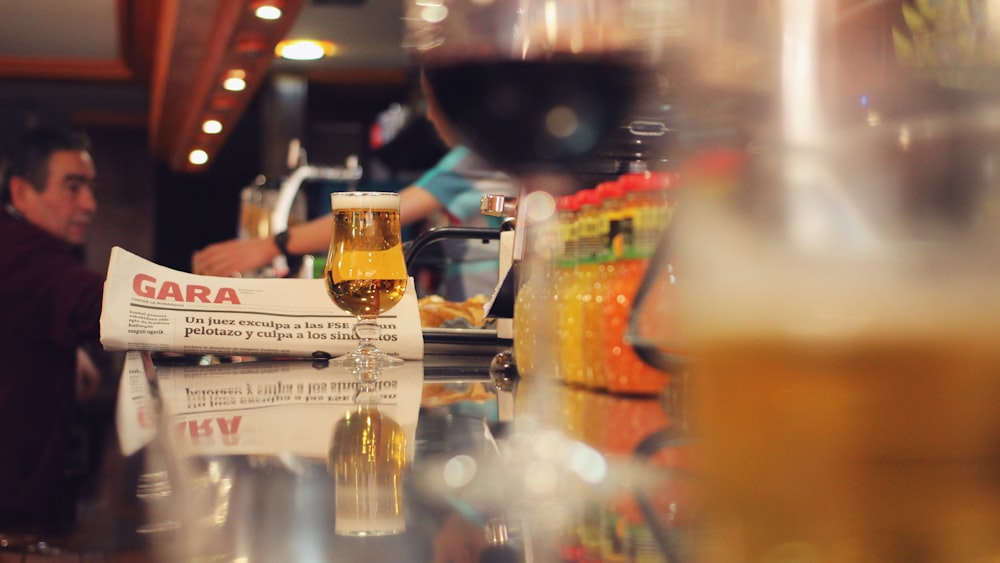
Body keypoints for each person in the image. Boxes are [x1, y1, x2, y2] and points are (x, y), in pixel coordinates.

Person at [193, 72, 519, 301]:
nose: (431, 118)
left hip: (494, 311)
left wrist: (269, 246)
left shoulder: (479, 157)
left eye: (432, 102)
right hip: (484, 308)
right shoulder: (488, 154)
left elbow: (379, 213)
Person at [0, 127, 104, 531]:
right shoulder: (24, 255)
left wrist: (73, 352)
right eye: (73, 188)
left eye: (90, 188)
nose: (90, 204)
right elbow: (115, 307)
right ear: (22, 193)